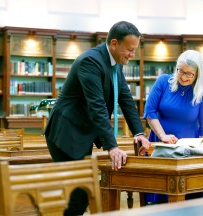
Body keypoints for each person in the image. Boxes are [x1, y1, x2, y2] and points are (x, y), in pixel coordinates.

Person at [44, 21, 150, 215]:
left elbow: (126, 98)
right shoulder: (90, 61)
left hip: (82, 132)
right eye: (129, 49)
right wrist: (113, 146)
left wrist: (139, 132)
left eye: (135, 50)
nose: (132, 55)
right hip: (66, 132)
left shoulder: (114, 64)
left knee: (81, 194)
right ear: (114, 43)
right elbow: (97, 106)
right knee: (78, 194)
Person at [143, 49, 203, 203]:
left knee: (189, 195)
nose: (183, 76)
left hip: (189, 151)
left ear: (198, 74)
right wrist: (163, 136)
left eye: (189, 74)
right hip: (161, 146)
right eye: (180, 71)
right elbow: (150, 112)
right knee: (162, 195)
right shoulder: (163, 81)